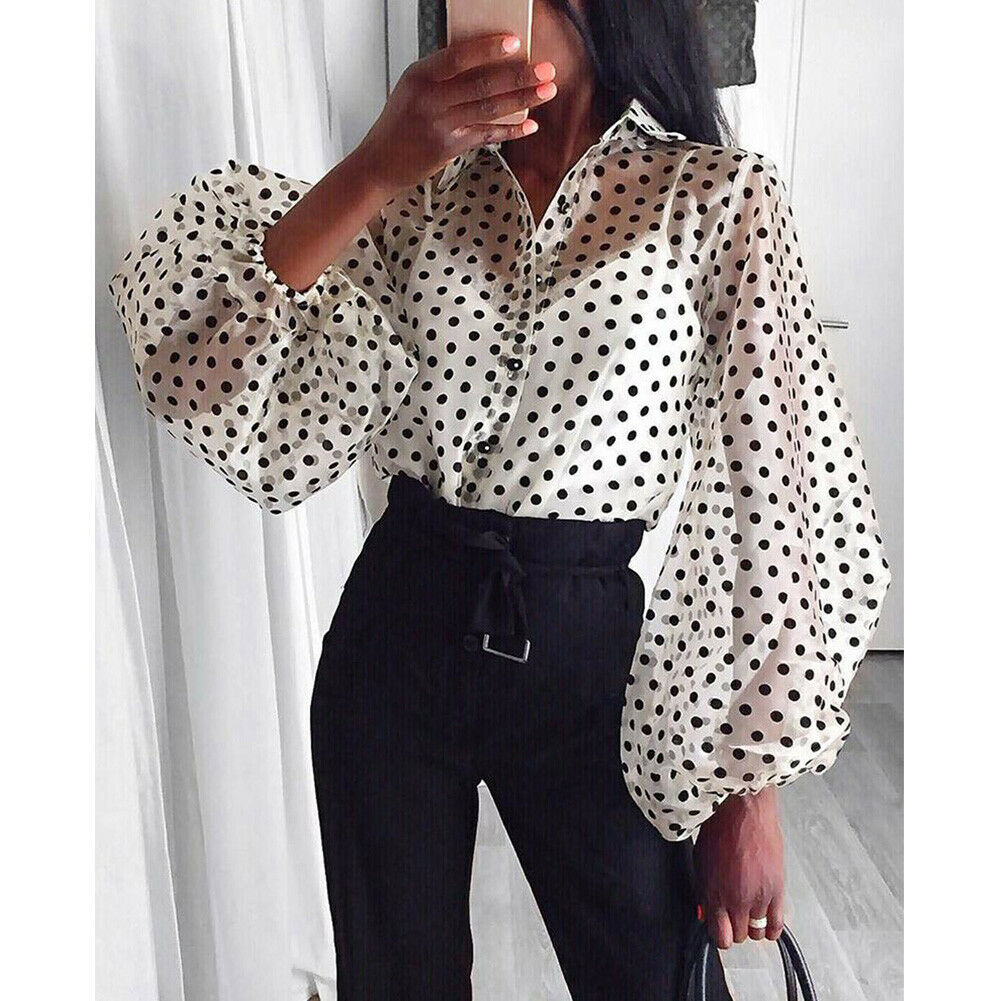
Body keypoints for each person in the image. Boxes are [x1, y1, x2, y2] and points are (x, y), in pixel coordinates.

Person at [108, 1, 891, 998]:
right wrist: (373, 168)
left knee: (650, 976)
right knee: (395, 980)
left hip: (585, 655)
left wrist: (749, 795)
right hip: (396, 625)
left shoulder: (713, 197)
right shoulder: (417, 190)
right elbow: (200, 356)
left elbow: (778, 500)